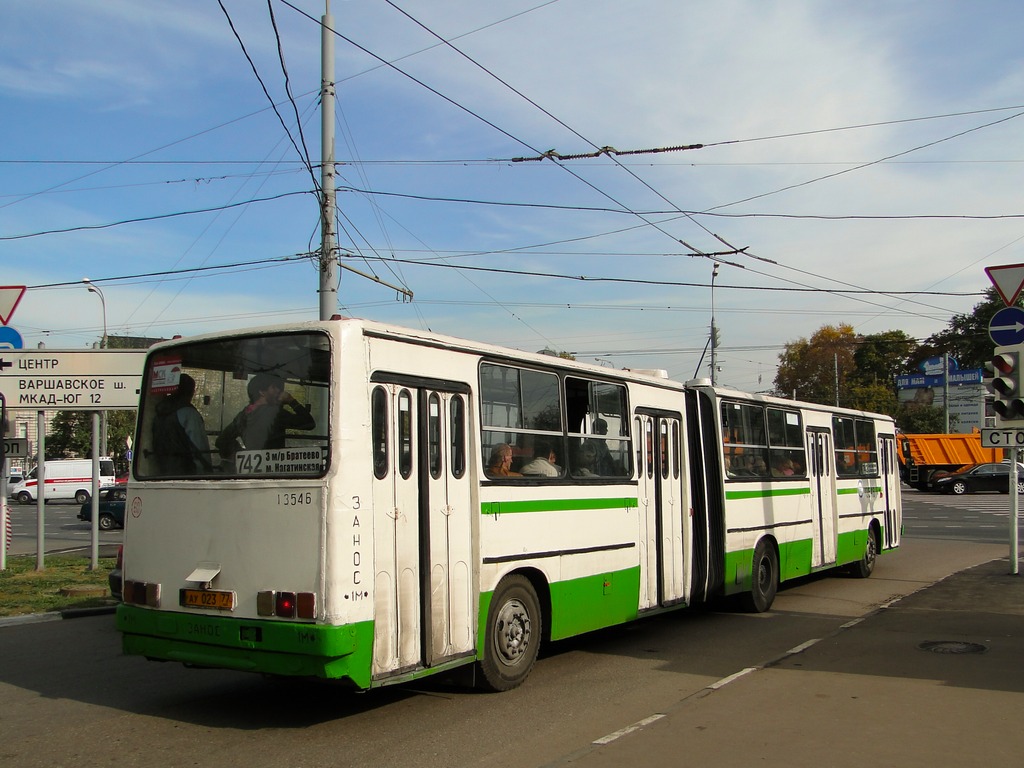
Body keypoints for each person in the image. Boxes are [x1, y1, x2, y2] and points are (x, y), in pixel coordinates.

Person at [216, 373, 315, 460]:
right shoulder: (275, 413)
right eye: (274, 388)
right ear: (261, 392)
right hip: (273, 468)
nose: (278, 391)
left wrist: (243, 454)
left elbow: (221, 441)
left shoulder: (243, 415)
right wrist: (291, 401)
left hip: (253, 468)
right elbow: (309, 423)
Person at [152, 373, 211, 474]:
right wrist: (206, 472)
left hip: (161, 471)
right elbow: (199, 448)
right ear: (190, 391)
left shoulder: (159, 413)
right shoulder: (189, 414)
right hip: (186, 474)